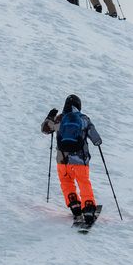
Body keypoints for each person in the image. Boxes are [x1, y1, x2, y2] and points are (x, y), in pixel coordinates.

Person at [41, 94, 101, 224]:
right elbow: (96, 138)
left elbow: (45, 130)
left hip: (62, 161)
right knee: (83, 182)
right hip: (80, 161)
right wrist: (97, 142)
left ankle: (74, 205)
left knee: (66, 182)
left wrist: (49, 117)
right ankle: (88, 209)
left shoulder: (59, 119)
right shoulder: (84, 119)